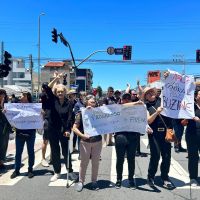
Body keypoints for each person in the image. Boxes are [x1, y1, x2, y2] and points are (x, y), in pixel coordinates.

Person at [44, 74, 76, 182]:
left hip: (64, 130)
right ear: (56, 93)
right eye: (58, 92)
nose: (60, 93)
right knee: (55, 151)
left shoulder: (69, 103)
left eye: (62, 91)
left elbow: (70, 117)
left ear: (65, 92)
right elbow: (47, 87)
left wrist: (68, 130)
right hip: (52, 129)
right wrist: (56, 79)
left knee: (66, 151)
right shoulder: (52, 100)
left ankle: (70, 171)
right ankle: (57, 172)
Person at [144, 87, 174, 189]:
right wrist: (157, 112)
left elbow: (170, 91)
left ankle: (165, 177)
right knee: (155, 156)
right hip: (154, 134)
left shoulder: (163, 101)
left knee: (166, 156)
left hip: (166, 133)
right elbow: (148, 121)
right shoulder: (146, 106)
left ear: (156, 93)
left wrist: (167, 77)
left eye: (152, 92)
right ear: (146, 96)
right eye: (148, 93)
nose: (150, 94)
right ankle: (150, 177)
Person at [73, 95, 102, 192]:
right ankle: (81, 181)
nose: (93, 104)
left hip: (97, 141)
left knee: (95, 163)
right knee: (84, 162)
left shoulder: (99, 112)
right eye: (91, 102)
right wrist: (82, 135)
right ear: (86, 103)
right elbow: (74, 128)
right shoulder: (81, 113)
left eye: (94, 102)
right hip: (85, 142)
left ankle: (94, 181)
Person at [114, 93, 141, 189]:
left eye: (128, 98)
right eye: (124, 98)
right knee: (120, 159)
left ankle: (130, 179)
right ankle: (119, 179)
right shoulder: (117, 107)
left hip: (133, 137)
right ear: (121, 99)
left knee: (131, 159)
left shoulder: (137, 109)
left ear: (131, 99)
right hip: (120, 136)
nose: (126, 100)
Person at [10, 91, 36, 179]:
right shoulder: (16, 106)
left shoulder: (34, 106)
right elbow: (11, 115)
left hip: (31, 133)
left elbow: (40, 115)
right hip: (19, 132)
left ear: (25, 96)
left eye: (21, 95)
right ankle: (16, 170)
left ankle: (30, 169)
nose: (19, 97)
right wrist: (5, 111)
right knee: (18, 152)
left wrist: (41, 113)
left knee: (31, 151)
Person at [185, 88, 200, 186]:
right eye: (199, 94)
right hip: (192, 135)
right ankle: (193, 178)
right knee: (193, 157)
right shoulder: (190, 106)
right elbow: (182, 119)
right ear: (196, 96)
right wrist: (188, 118)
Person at [0, 89, 11, 171]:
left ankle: (1, 162)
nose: (2, 96)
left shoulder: (7, 104)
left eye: (4, 94)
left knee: (4, 144)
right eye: (1, 94)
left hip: (5, 127)